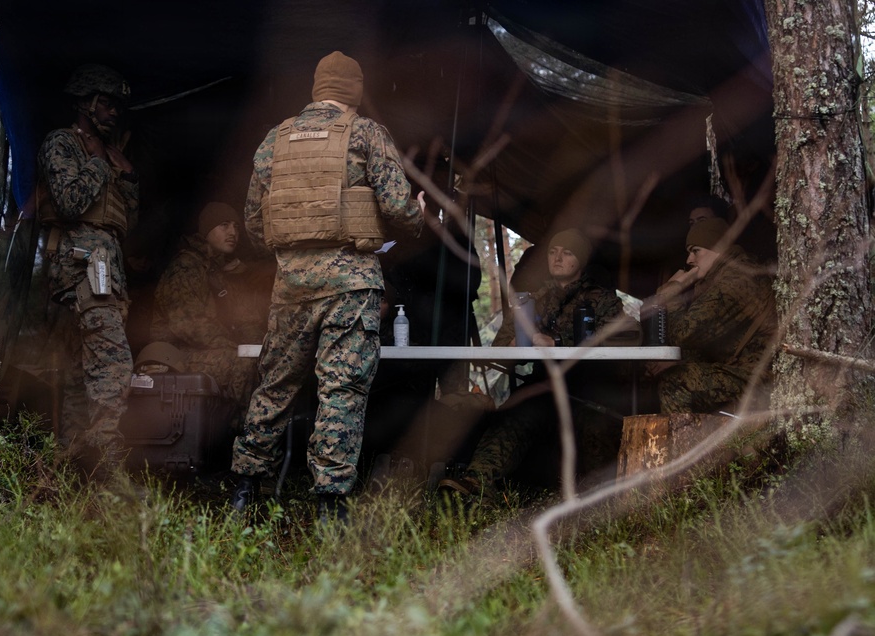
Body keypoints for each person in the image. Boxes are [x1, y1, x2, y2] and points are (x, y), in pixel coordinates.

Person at [230, 51, 425, 520]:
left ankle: (244, 490)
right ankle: (330, 506)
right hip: (351, 284)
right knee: (341, 389)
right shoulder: (366, 133)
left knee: (275, 385)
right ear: (354, 89)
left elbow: (255, 222)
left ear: (317, 89)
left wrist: (293, 252)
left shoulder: (275, 139)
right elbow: (398, 207)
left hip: (291, 284)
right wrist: (418, 213)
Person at [438, 228, 631, 498]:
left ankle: (602, 498)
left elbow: (621, 346)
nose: (557, 258)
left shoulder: (603, 301)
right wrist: (513, 347)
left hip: (590, 389)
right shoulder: (532, 301)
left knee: (595, 427)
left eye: (567, 253)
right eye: (553, 252)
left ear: (582, 260)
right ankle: (475, 482)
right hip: (544, 387)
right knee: (514, 417)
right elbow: (498, 353)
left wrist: (559, 344)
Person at [37, 64, 139, 473]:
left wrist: (126, 175)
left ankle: (69, 472)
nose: (114, 113)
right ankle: (107, 471)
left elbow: (126, 219)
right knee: (114, 368)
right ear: (86, 103)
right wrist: (98, 163)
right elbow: (70, 202)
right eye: (107, 103)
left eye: (117, 106)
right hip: (79, 270)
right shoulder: (61, 143)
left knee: (81, 378)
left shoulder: (112, 156)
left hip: (105, 271)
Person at [139, 200, 272, 412]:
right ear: (206, 230)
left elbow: (245, 319)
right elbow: (188, 324)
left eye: (236, 227)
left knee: (264, 364)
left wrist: (259, 348)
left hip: (210, 349)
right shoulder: (186, 267)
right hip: (176, 354)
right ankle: (232, 431)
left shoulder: (221, 272)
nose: (232, 232)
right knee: (243, 365)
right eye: (224, 225)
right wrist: (234, 348)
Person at [644, 217, 775, 413]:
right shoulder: (721, 278)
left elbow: (684, 333)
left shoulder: (737, 279)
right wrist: (677, 361)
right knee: (667, 374)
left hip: (764, 382)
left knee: (677, 384)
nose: (689, 260)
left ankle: (684, 444)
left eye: (696, 251)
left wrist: (672, 292)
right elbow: (703, 340)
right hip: (743, 372)